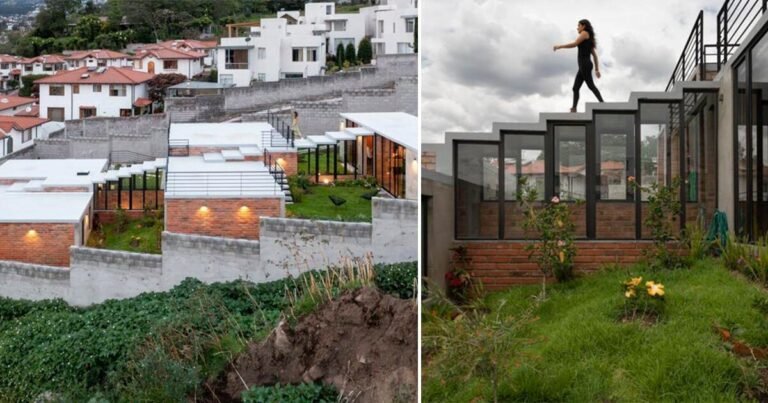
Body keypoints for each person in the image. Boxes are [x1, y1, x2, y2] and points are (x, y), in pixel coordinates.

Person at [554, 19, 604, 112]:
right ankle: (574, 108)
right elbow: (595, 56)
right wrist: (597, 69)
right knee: (575, 88)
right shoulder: (588, 38)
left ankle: (603, 104)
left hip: (585, 65)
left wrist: (560, 46)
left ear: (583, 26)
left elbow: (575, 44)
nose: (577, 28)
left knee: (590, 86)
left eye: (578, 25)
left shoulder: (584, 33)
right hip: (584, 65)